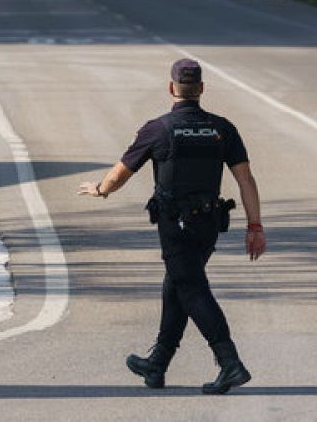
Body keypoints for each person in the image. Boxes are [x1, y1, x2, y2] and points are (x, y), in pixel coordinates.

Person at [78, 58, 266, 395]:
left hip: (175, 225)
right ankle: (158, 364)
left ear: (171, 88)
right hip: (209, 224)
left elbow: (121, 172)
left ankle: (230, 363)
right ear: (202, 89)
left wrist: (101, 189)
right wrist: (255, 226)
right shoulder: (222, 128)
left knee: (190, 288)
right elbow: (245, 179)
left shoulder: (159, 128)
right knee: (177, 285)